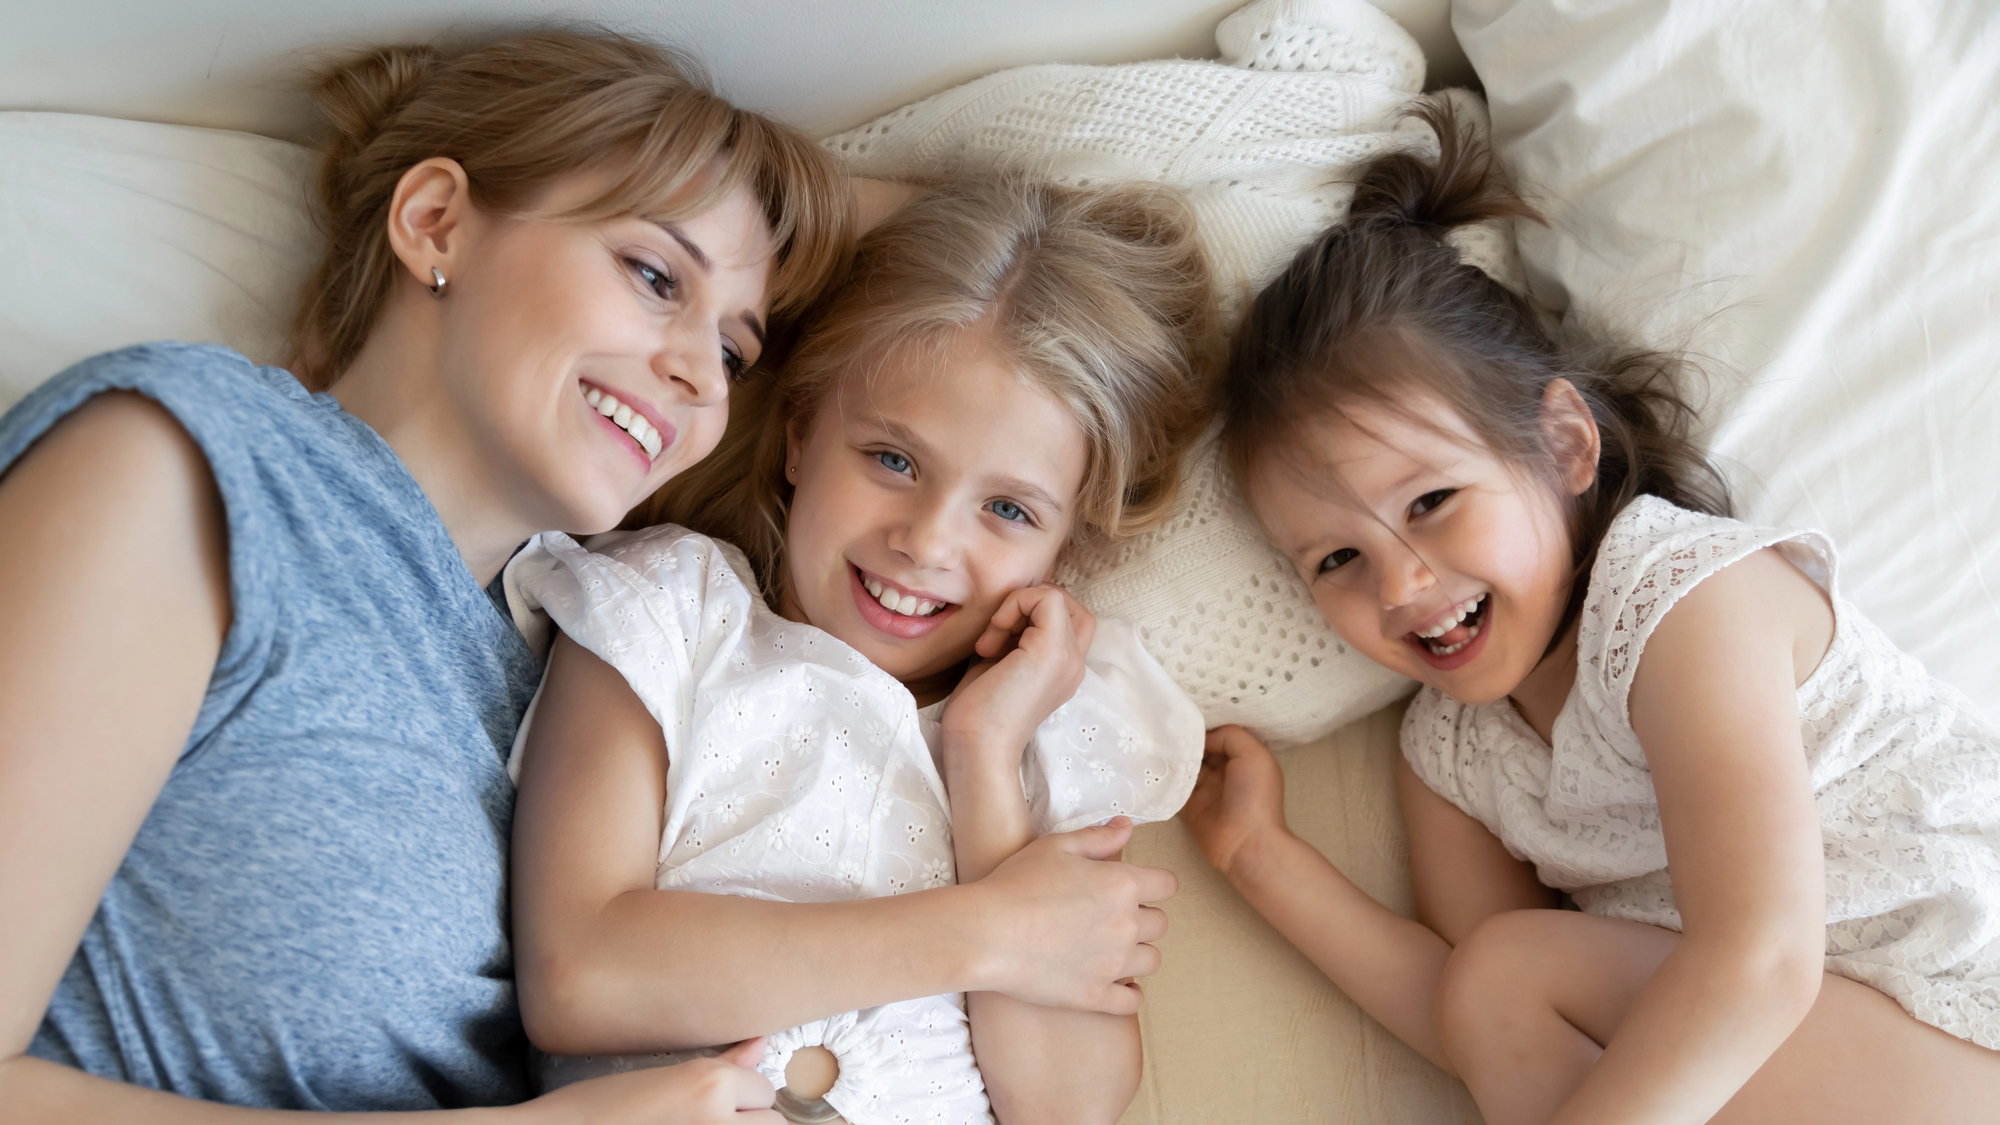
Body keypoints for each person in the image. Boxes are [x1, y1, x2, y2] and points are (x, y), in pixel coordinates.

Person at [0, 30, 1171, 1124]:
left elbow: (998, 318)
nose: (693, 375)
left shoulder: (549, 658)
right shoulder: (188, 468)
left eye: (732, 348)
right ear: (436, 220)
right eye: (656, 275)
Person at [1182, 101, 2000, 1125]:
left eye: (1430, 503)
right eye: (1336, 559)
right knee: (1498, 977)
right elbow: (1480, 1028)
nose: (1397, 586)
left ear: (1564, 445)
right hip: (1779, 1071)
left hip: (1956, 1022)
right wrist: (1262, 860)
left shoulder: (1685, 604)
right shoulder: (1453, 752)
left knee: (1511, 968)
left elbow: (1758, 959)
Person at [508, 175, 1214, 1125]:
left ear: (1066, 549)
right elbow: (580, 975)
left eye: (1007, 509)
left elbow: (1067, 1105)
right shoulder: (668, 613)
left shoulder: (1050, 731)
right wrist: (992, 930)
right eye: (892, 459)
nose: (926, 541)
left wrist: (983, 757)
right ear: (802, 432)